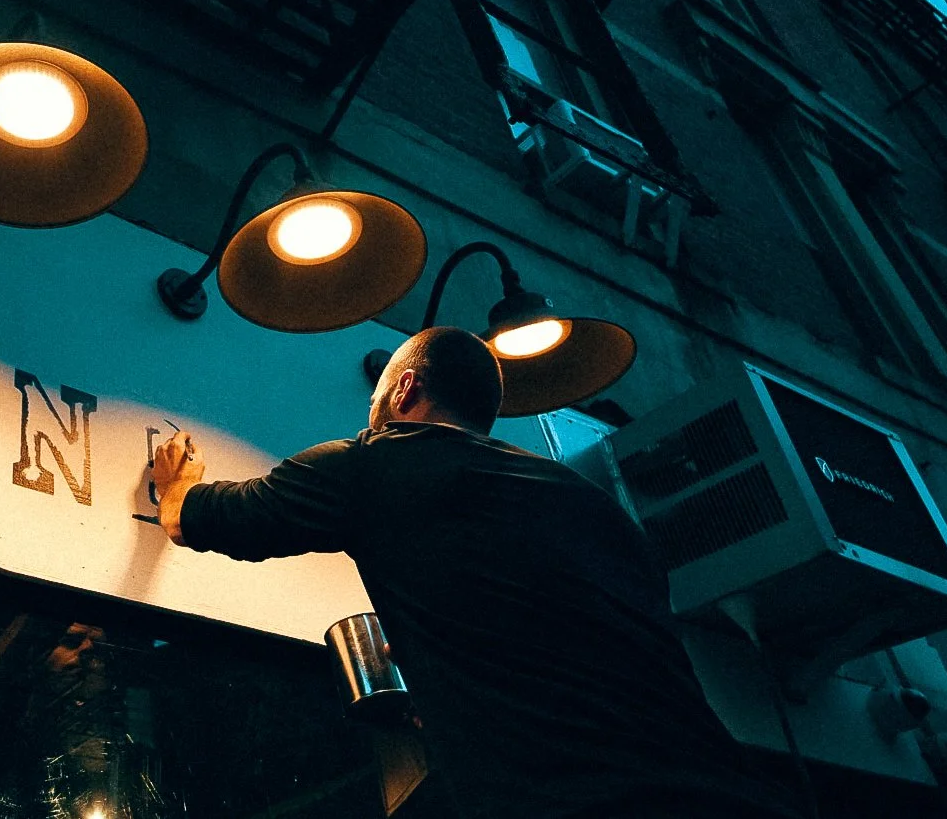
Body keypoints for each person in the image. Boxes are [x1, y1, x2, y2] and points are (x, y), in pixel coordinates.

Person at [151, 327, 803, 819]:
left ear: (403, 389)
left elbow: (198, 520)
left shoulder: (373, 462)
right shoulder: (595, 506)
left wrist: (176, 483)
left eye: (376, 399)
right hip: (723, 789)